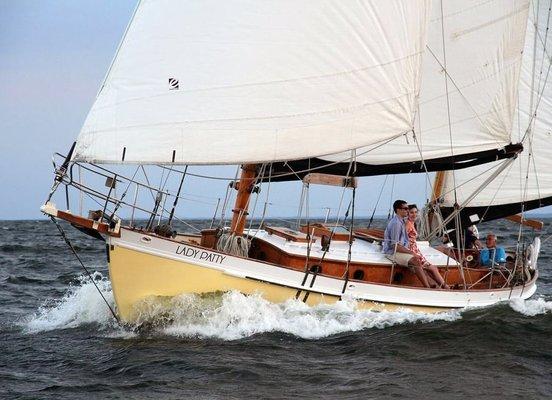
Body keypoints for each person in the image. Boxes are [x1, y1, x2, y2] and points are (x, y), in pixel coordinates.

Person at [383, 200, 431, 288]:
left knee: (419, 260)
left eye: (407, 208)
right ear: (398, 210)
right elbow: (395, 245)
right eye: (405, 208)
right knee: (415, 260)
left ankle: (431, 285)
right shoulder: (396, 223)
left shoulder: (401, 221)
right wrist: (411, 253)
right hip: (391, 252)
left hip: (399, 250)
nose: (407, 210)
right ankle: (427, 287)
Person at [406, 204, 449, 289]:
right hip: (412, 251)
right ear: (407, 213)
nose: (414, 214)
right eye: (411, 213)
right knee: (432, 268)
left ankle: (439, 286)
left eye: (415, 212)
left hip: (415, 250)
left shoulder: (411, 223)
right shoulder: (407, 224)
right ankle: (445, 287)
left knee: (431, 269)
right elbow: (404, 238)